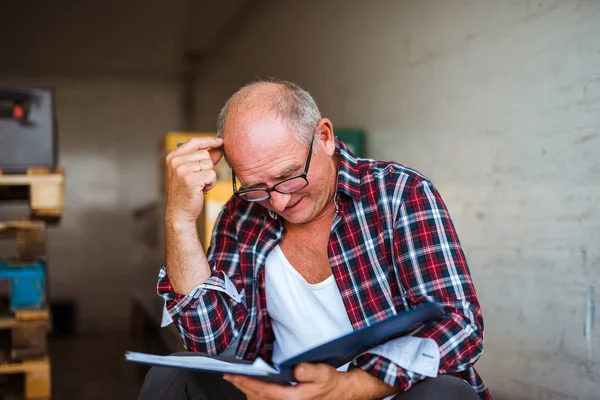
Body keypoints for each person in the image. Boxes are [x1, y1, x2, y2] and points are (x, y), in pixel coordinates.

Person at [139, 79, 492, 400]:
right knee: (176, 374)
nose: (278, 202)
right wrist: (180, 218)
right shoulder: (242, 214)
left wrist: (347, 387)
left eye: (289, 177)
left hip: (381, 392)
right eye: (256, 188)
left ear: (324, 137)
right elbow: (208, 341)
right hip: (280, 396)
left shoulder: (398, 193)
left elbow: (460, 325)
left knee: (446, 395)